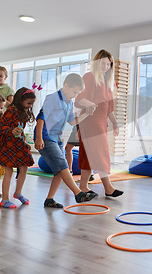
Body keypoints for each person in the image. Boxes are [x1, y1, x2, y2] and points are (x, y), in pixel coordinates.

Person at [34, 73, 98, 208]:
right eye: (74, 92)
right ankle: (78, 193)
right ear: (66, 86)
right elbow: (41, 118)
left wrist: (86, 113)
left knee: (59, 171)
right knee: (63, 165)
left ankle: (49, 199)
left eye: (78, 93)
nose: (76, 95)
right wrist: (39, 137)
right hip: (46, 137)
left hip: (57, 139)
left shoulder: (69, 102)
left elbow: (72, 121)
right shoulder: (52, 98)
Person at [74, 50, 123, 197]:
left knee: (88, 154)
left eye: (109, 64)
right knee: (102, 153)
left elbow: (109, 109)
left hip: (101, 122)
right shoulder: (89, 77)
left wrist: (114, 123)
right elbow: (79, 99)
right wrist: (89, 104)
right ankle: (108, 187)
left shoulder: (109, 82)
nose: (106, 66)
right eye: (103, 63)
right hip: (90, 121)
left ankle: (83, 185)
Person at [0, 87, 36, 208]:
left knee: (24, 167)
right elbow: (1, 128)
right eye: (29, 103)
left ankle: (18, 193)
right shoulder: (11, 111)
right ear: (21, 100)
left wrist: (24, 141)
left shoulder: (23, 112)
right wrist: (11, 130)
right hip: (7, 144)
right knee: (9, 171)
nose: (30, 106)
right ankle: (4, 199)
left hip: (18, 143)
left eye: (32, 104)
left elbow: (20, 130)